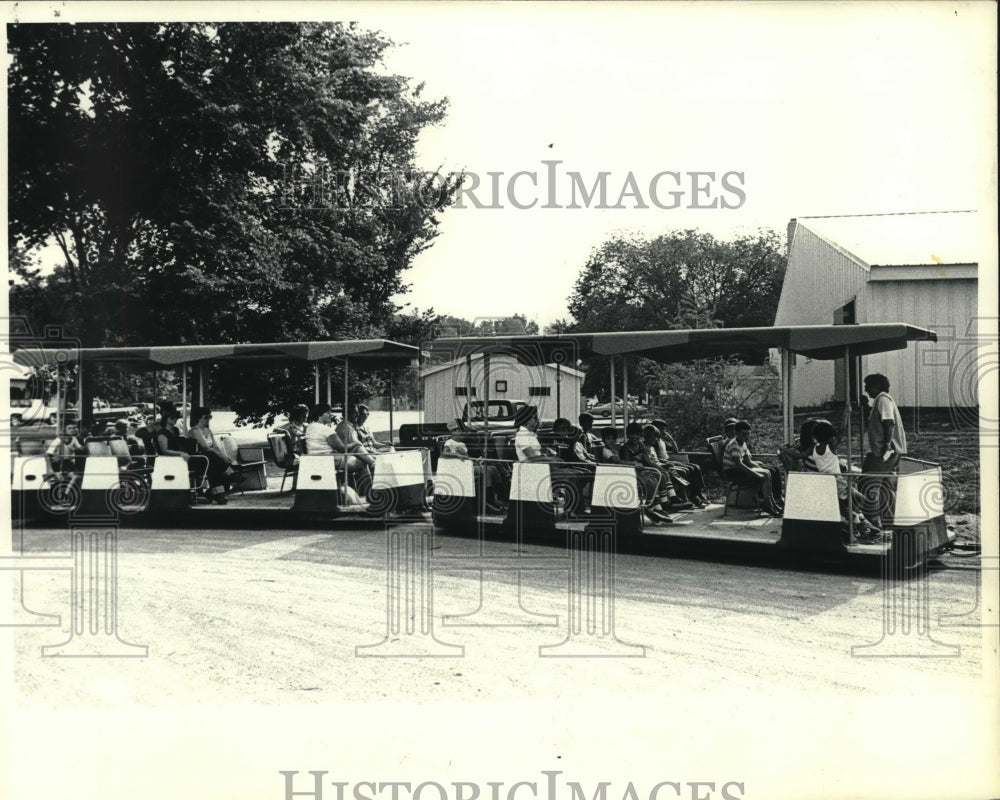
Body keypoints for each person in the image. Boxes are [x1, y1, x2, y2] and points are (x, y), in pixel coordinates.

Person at [811, 419, 881, 540]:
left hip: (828, 483)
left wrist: (785, 450)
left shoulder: (814, 448)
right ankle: (859, 523)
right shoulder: (831, 447)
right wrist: (845, 415)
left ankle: (857, 522)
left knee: (847, 505)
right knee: (863, 501)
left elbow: (799, 455)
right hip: (839, 482)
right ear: (830, 437)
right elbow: (842, 432)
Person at [860, 372, 906, 524]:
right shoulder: (881, 401)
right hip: (893, 451)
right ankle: (889, 521)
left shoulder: (883, 399)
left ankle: (872, 520)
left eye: (868, 387)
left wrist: (886, 445)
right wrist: (865, 408)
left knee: (868, 483)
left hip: (884, 451)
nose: (866, 390)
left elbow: (889, 422)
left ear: (877, 386)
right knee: (886, 485)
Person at [305, 402, 373, 498]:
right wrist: (356, 443)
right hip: (329, 460)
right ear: (320, 414)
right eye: (328, 413)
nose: (331, 415)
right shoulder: (326, 430)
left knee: (353, 458)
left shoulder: (310, 427)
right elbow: (342, 448)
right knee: (362, 463)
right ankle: (369, 494)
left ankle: (355, 491)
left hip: (316, 459)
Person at [617, 422, 676, 524]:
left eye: (637, 434)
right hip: (631, 474)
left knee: (660, 475)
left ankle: (663, 504)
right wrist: (636, 465)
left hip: (641, 471)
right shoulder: (626, 448)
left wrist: (660, 469)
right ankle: (652, 508)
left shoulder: (640, 445)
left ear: (640, 435)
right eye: (632, 434)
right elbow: (627, 466)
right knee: (650, 481)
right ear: (627, 434)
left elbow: (648, 461)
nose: (635, 437)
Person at [723, 420, 783, 516]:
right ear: (737, 433)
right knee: (765, 474)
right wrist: (756, 473)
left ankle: (771, 502)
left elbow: (748, 461)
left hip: (739, 470)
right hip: (732, 472)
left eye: (748, 434)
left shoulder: (743, 443)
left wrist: (760, 468)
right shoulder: (734, 445)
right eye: (744, 434)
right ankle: (766, 503)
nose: (746, 436)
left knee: (767, 472)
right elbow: (739, 464)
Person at [187, 406, 243, 504]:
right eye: (206, 417)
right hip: (199, 459)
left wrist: (224, 457)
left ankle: (216, 493)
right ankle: (230, 475)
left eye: (210, 417)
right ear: (199, 418)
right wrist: (220, 457)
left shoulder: (208, 431)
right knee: (211, 456)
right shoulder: (194, 431)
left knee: (214, 467)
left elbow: (216, 447)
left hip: (210, 460)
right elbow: (205, 447)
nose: (208, 420)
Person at [650, 418, 708, 507]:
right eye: (662, 429)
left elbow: (675, 450)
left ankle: (697, 492)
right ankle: (687, 497)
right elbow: (656, 459)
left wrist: (670, 438)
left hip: (668, 461)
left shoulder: (662, 441)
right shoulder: (653, 442)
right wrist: (666, 463)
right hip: (663, 463)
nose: (664, 431)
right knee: (684, 471)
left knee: (695, 467)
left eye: (664, 429)